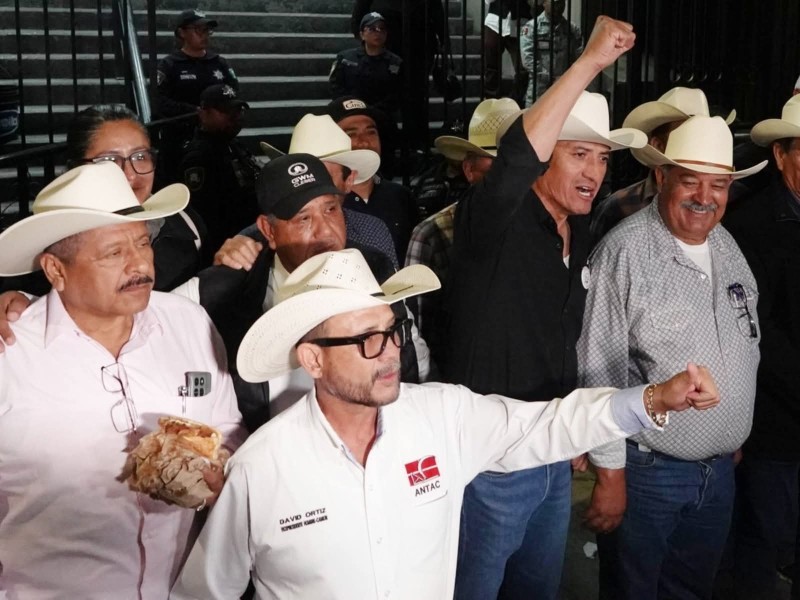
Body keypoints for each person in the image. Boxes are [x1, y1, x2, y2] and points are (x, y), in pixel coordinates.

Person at [171, 246, 721, 599]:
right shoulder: (260, 468)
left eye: (390, 330)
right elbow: (205, 592)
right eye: (364, 340)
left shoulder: (441, 414)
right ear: (311, 359)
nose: (388, 353)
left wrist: (654, 398)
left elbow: (550, 424)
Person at [442, 15, 646, 600]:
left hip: (554, 457)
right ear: (545, 158)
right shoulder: (494, 222)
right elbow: (513, 159)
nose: (594, 173)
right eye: (579, 154)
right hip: (490, 466)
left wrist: (573, 432)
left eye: (603, 159)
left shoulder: (579, 233)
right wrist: (589, 63)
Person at [0, 163, 244, 597]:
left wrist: (219, 468)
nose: (140, 264)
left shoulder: (189, 323)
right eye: (114, 253)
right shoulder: (11, 356)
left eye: (142, 242)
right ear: (56, 270)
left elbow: (228, 428)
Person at [577, 115, 766, 600]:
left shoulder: (727, 245)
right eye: (691, 181)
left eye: (718, 185)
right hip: (648, 472)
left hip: (719, 469)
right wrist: (610, 475)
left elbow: (747, 340)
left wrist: (731, 431)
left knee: (691, 592)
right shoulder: (624, 252)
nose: (705, 196)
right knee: (632, 591)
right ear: (662, 178)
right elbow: (599, 366)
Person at [197, 153, 429, 430]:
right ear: (268, 231)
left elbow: (405, 364)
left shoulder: (373, 267)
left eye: (331, 209)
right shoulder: (228, 294)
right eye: (303, 218)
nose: (325, 231)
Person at [0, 104, 207, 298]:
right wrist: (16, 301)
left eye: (140, 156)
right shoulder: (46, 245)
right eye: (109, 160)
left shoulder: (186, 225)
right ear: (75, 167)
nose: (129, 175)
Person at [725, 94, 800, 599]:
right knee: (760, 547)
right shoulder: (752, 225)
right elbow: (752, 327)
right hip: (776, 426)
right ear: (781, 155)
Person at [405, 98, 520, 373]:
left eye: (515, 166)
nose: (508, 180)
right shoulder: (431, 234)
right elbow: (416, 330)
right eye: (496, 167)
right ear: (469, 170)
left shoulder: (552, 228)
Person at [590, 87, 736, 246]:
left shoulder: (735, 201)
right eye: (684, 135)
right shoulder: (618, 207)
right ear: (658, 145)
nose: (703, 198)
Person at [258, 112, 398, 268]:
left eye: (323, 176)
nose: (312, 185)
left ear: (349, 181)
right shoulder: (253, 244)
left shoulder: (372, 233)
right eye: (302, 175)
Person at [329, 96, 419, 266]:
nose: (364, 141)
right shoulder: (325, 202)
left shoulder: (401, 197)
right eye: (351, 134)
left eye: (371, 132)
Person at [350, 0, 447, 150]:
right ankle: (387, 141)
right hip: (388, 42)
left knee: (415, 93)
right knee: (388, 92)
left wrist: (443, 39)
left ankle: (415, 143)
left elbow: (437, 12)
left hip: (419, 44)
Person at [180, 84, 260, 266]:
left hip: (249, 234)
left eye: (239, 110)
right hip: (228, 250)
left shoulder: (233, 145)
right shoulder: (198, 157)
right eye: (226, 111)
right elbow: (206, 217)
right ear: (204, 113)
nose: (236, 117)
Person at [155, 9, 238, 184]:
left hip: (217, 139)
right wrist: (195, 112)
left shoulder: (219, 63)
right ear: (181, 32)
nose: (205, 35)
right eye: (199, 29)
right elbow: (160, 102)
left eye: (207, 30)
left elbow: (233, 93)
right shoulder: (169, 65)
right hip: (180, 140)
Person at [330, 12, 403, 118]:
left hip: (382, 118)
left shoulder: (395, 63)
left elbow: (396, 95)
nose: (378, 33)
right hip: (349, 114)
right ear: (362, 34)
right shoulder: (345, 58)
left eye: (382, 29)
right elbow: (336, 88)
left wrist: (373, 112)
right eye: (372, 29)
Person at [520, 0, 583, 106]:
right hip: (539, 86)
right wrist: (548, 76)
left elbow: (579, 57)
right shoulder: (532, 27)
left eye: (561, 3)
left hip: (564, 86)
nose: (558, 6)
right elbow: (527, 59)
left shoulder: (572, 30)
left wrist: (566, 77)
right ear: (544, 3)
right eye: (554, 2)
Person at [483, 0, 533, 104]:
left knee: (523, 68)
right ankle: (491, 102)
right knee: (491, 67)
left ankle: (512, 103)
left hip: (520, 23)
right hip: (495, 22)